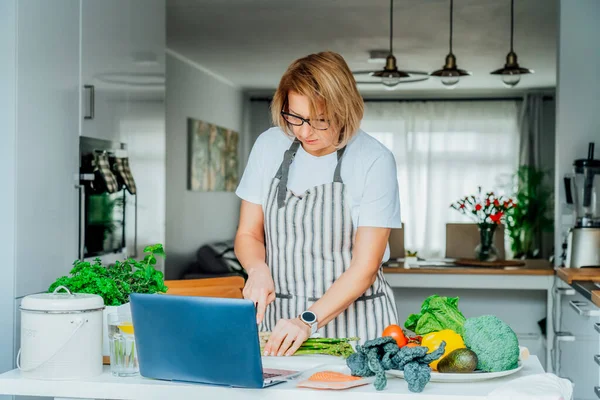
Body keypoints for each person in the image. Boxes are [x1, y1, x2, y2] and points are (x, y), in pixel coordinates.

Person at [234, 51, 401, 357]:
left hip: (358, 329)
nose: (304, 132)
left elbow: (365, 268)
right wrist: (257, 269)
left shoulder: (374, 160)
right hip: (280, 327)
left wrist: (307, 320)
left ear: (345, 110)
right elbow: (249, 234)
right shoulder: (269, 146)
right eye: (295, 117)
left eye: (320, 121)